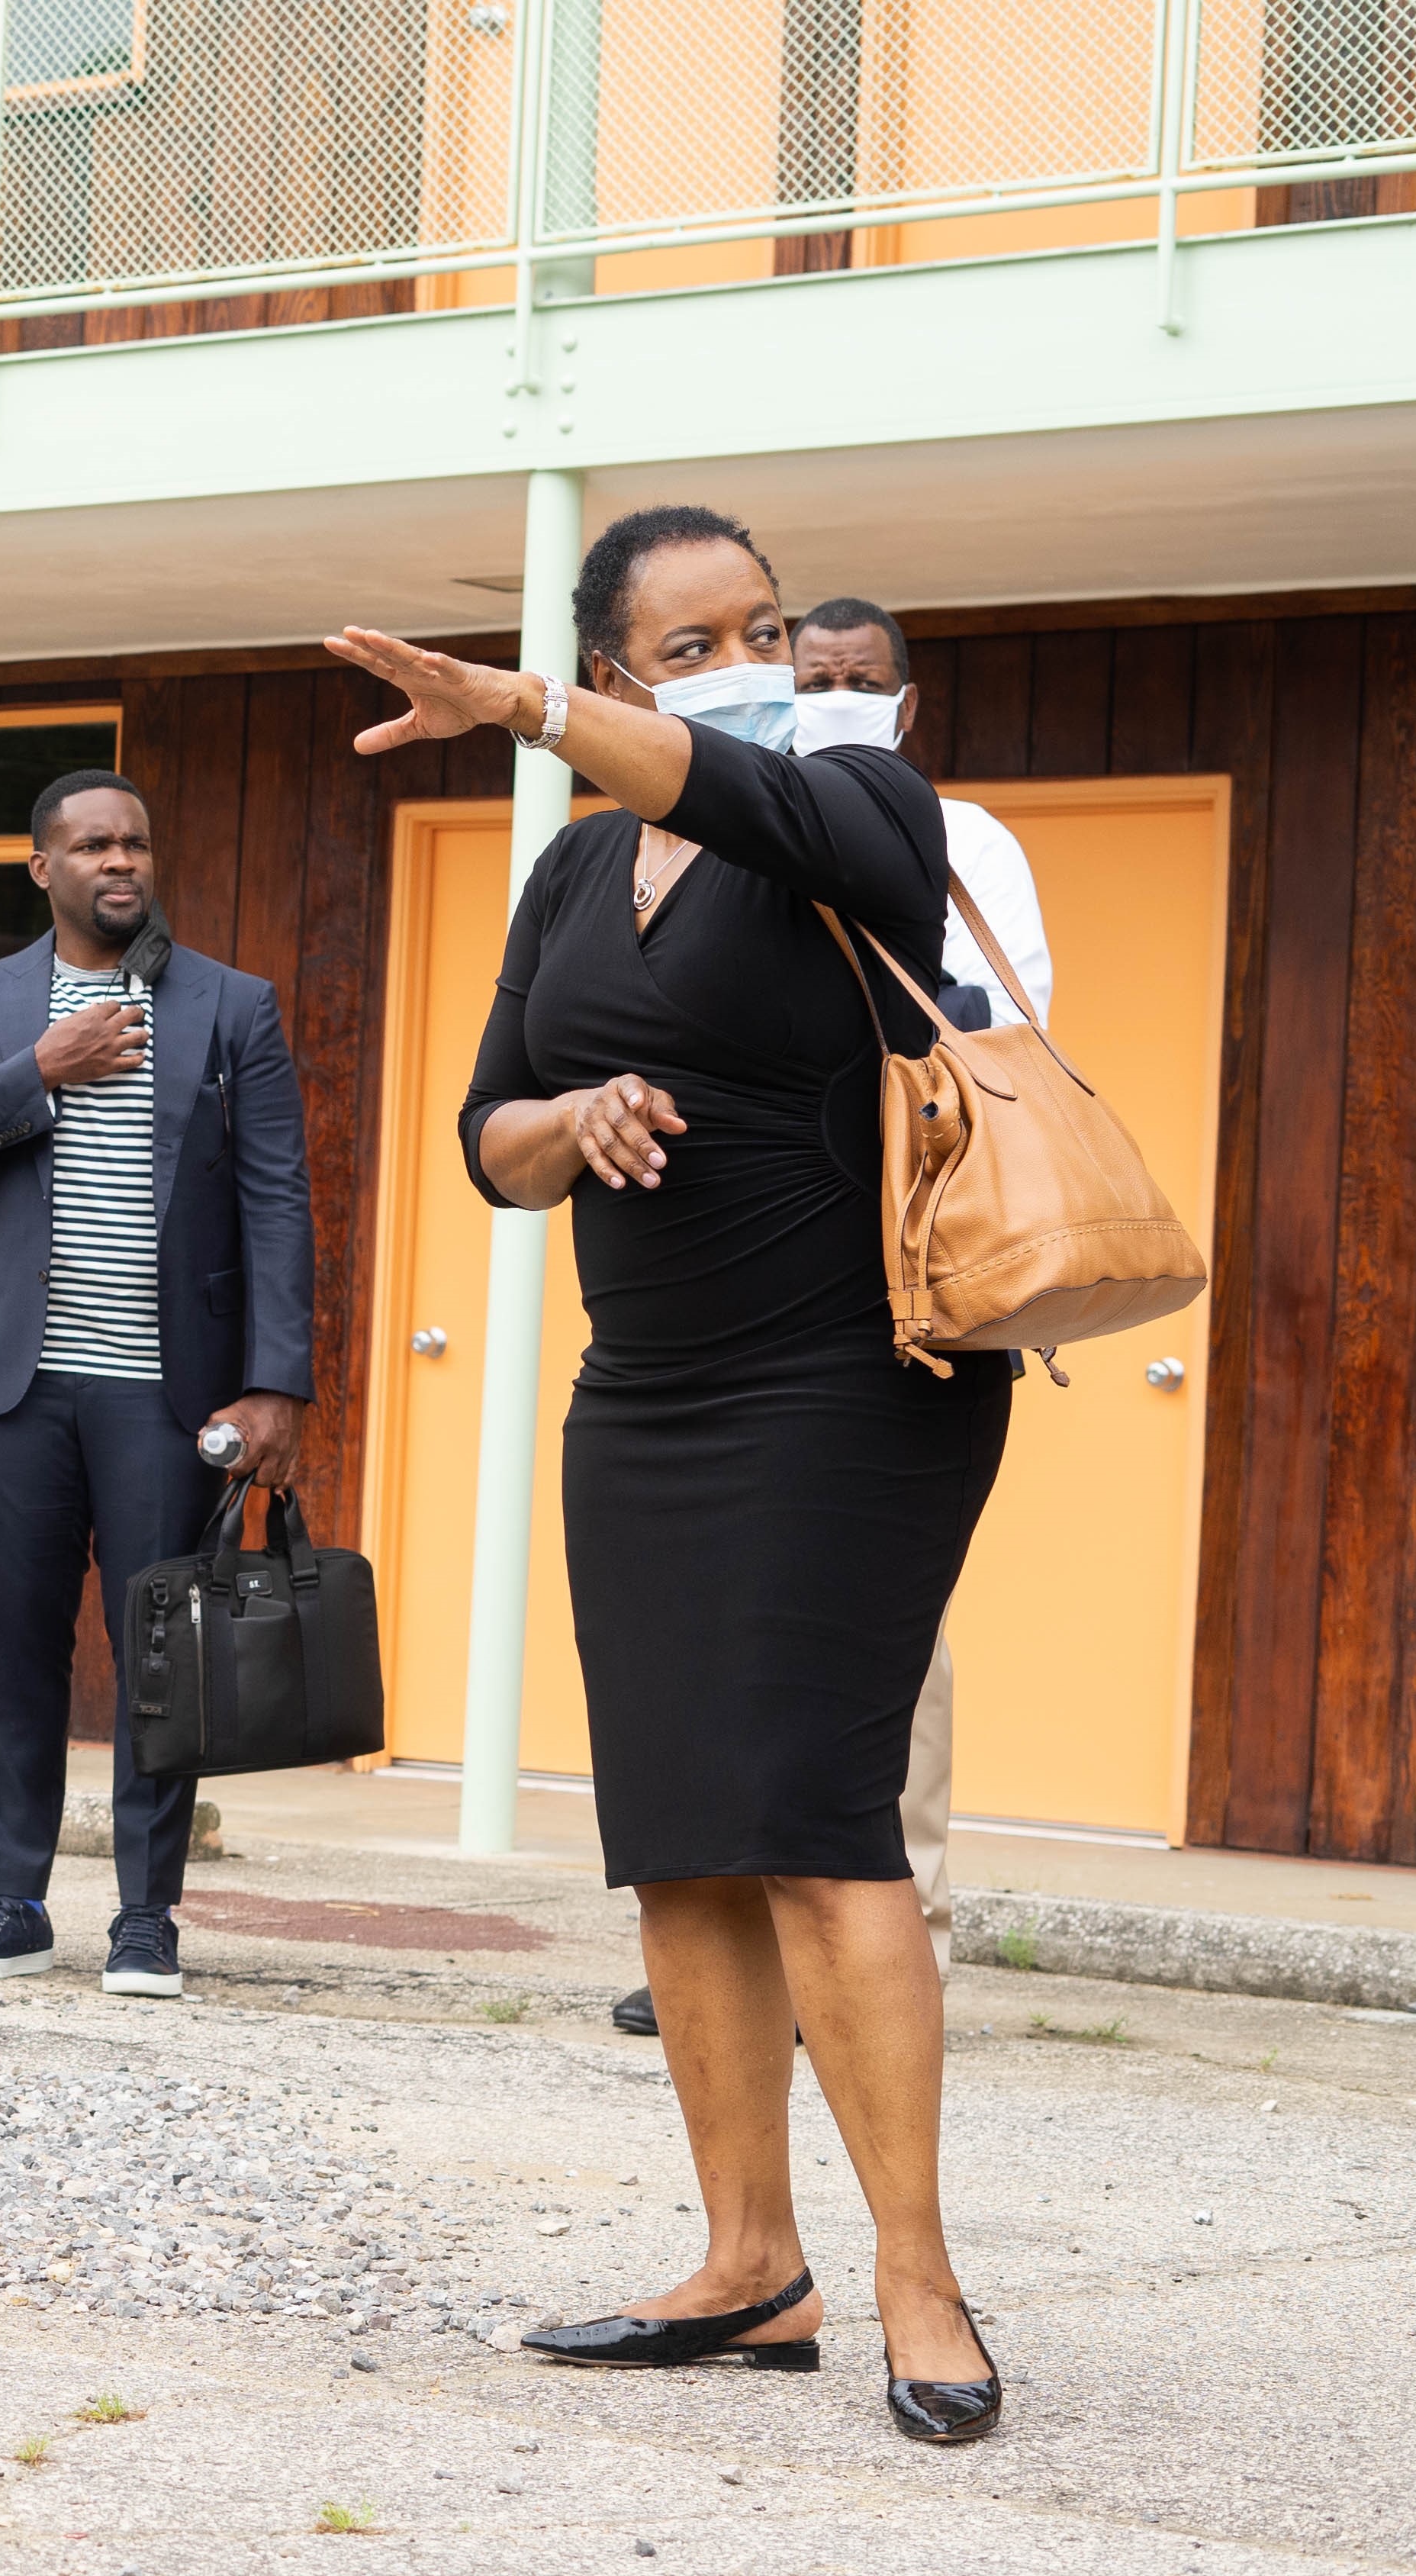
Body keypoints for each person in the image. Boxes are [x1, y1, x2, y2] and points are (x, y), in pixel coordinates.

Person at [329, 502, 1009, 2444]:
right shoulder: (568, 878)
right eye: (703, 636)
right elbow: (486, 1132)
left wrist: (523, 707)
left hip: (853, 1380)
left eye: (772, 626)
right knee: (685, 1826)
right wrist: (577, 1112)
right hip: (652, 1393)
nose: (760, 661)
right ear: (627, 660)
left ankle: (918, 2277)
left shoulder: (860, 807)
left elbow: (744, 786)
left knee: (811, 1810)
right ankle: (748, 2261)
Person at [608, 591, 1051, 2039]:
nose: (835, 694)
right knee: (727, 1652)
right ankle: (738, 1941)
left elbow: (1004, 1024)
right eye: (816, 676)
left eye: (864, 680)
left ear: (906, 705)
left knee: (872, 1654)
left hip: (894, 1290)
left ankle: (879, 1927)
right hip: (727, 1302)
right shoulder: (701, 840)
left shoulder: (952, 835)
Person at [0, 770, 311, 2000]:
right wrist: (43, 1067)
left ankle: (144, 1917)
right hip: (17, 1389)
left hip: (167, 1399)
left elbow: (279, 1199)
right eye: (92, 847)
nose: (121, 863)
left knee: (160, 1660)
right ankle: (11, 1901)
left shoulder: (233, 1007)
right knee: (18, 1653)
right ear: (43, 868)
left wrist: (275, 1384)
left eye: (136, 845)